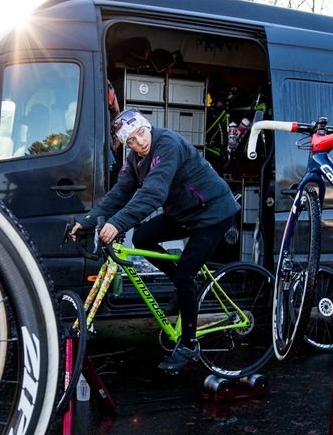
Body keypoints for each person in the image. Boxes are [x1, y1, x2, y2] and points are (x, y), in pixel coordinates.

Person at [69, 108, 240, 372]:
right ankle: (183, 287)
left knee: (185, 273)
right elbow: (120, 193)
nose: (139, 142)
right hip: (185, 213)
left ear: (147, 126)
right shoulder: (135, 158)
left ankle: (189, 343)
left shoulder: (167, 143)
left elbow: (154, 192)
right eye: (131, 141)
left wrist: (117, 222)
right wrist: (88, 219)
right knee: (143, 237)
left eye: (140, 133)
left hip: (213, 213)